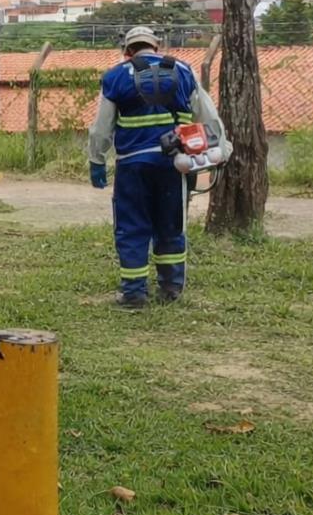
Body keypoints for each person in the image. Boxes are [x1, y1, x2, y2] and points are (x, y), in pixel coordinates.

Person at [88, 26, 231, 310]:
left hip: (132, 165)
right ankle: (171, 288)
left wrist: (96, 159)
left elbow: (101, 127)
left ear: (127, 51)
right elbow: (208, 116)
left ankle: (133, 294)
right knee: (171, 223)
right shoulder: (183, 70)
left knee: (131, 226)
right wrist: (221, 148)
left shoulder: (116, 76)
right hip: (174, 164)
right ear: (156, 47)